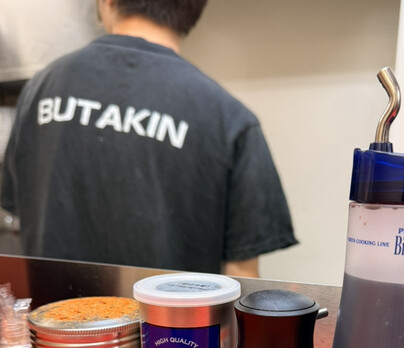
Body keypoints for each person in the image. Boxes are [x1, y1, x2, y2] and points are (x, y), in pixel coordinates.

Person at [1, 0, 298, 278]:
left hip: (52, 315)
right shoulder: (229, 119)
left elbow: (21, 212)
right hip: (168, 319)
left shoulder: (41, 88)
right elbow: (242, 275)